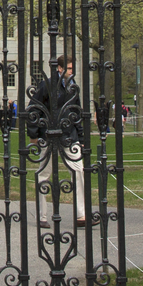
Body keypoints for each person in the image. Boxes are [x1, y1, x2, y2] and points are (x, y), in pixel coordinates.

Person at [27, 54, 91, 227]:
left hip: (69, 137)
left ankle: (81, 215)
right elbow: (34, 109)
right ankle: (42, 216)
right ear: (60, 69)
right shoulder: (47, 85)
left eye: (72, 68)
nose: (72, 71)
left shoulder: (73, 87)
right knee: (44, 174)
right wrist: (33, 135)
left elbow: (76, 113)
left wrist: (82, 137)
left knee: (78, 171)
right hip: (49, 136)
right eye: (69, 68)